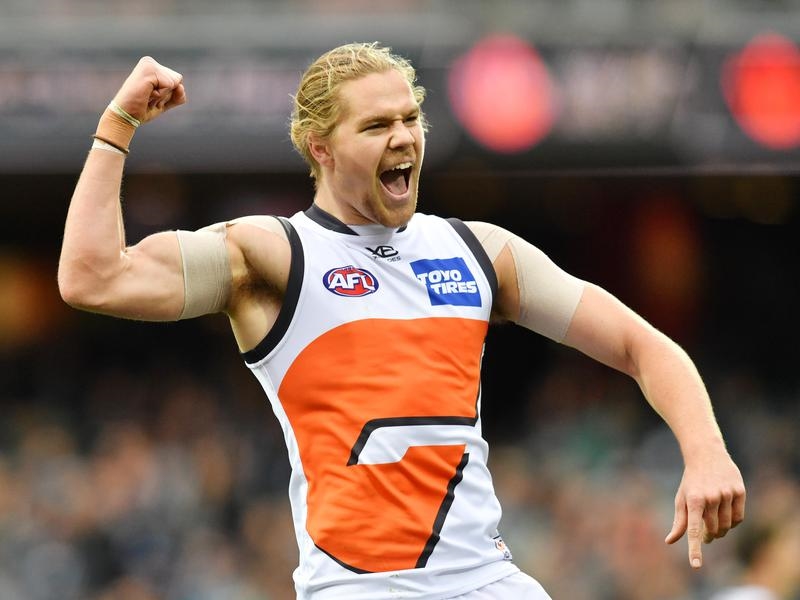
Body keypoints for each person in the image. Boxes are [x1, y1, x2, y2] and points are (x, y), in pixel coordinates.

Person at [58, 42, 746, 600]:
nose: (403, 138)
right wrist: (118, 124)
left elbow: (639, 343)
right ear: (319, 147)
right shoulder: (272, 254)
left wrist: (706, 450)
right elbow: (92, 278)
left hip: (487, 582)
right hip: (360, 589)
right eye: (375, 126)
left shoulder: (477, 250)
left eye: (410, 117)